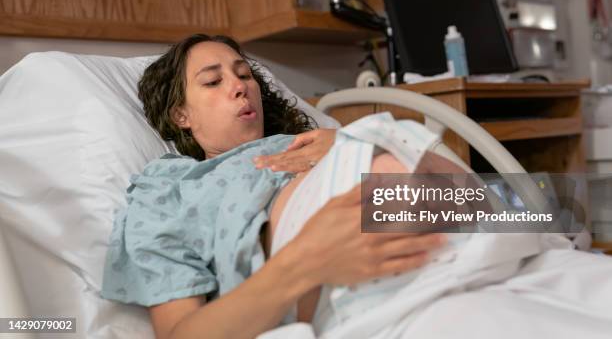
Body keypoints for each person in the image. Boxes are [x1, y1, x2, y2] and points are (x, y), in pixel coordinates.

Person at [100, 34, 449, 339]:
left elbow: (486, 203)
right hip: (368, 285)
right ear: (181, 115)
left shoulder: (321, 140)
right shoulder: (171, 186)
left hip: (461, 237)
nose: (240, 87)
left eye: (244, 74)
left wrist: (351, 140)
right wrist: (303, 263)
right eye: (212, 82)